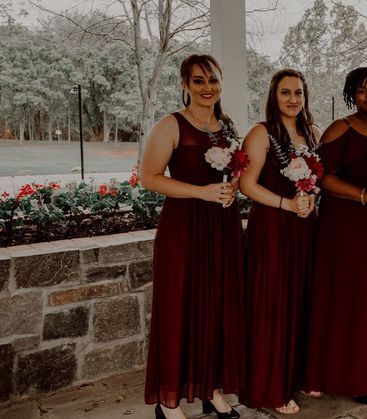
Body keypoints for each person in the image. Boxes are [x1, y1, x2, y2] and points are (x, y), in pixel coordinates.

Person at [141, 54, 245, 419]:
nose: (207, 88)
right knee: (179, 308)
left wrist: (232, 187)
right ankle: (168, 401)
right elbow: (149, 177)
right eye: (198, 81)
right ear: (185, 85)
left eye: (213, 80)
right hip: (184, 228)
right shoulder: (171, 125)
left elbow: (236, 171)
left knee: (217, 308)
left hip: (223, 228)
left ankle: (211, 389)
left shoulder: (228, 126)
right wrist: (202, 193)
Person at [304, 67, 367, 405]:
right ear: (352, 95)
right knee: (355, 300)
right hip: (348, 229)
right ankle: (356, 378)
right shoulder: (340, 129)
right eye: (362, 90)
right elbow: (320, 178)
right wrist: (363, 194)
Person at [237, 69, 320, 415]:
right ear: (273, 96)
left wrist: (312, 197)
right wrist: (286, 203)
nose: (292, 99)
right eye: (285, 92)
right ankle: (273, 386)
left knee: (303, 298)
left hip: (305, 226)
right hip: (271, 226)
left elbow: (317, 179)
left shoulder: (313, 133)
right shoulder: (261, 133)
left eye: (298, 93)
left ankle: (298, 374)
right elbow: (246, 185)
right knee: (274, 304)